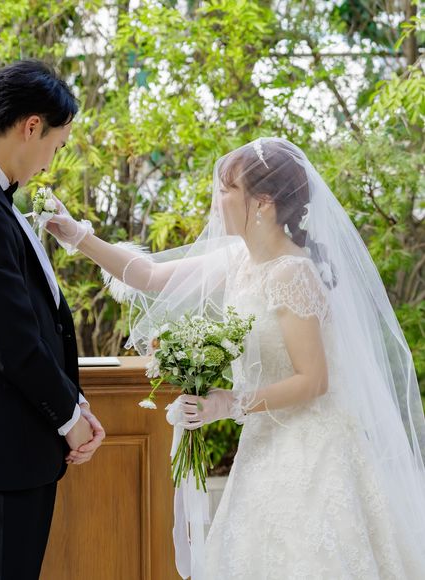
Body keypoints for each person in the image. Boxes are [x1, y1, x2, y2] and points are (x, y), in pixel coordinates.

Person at [46, 137, 425, 578]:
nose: (217, 198)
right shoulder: (239, 259)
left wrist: (228, 403)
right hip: (264, 439)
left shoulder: (292, 273)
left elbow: (314, 380)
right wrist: (77, 236)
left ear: (262, 203)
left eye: (228, 189)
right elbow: (147, 275)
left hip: (313, 446)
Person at [0, 59, 105, 580]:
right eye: (57, 145)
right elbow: (15, 341)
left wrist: (73, 403)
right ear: (32, 126)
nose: (50, 162)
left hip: (14, 447)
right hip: (1, 449)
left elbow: (31, 324)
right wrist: (71, 420)